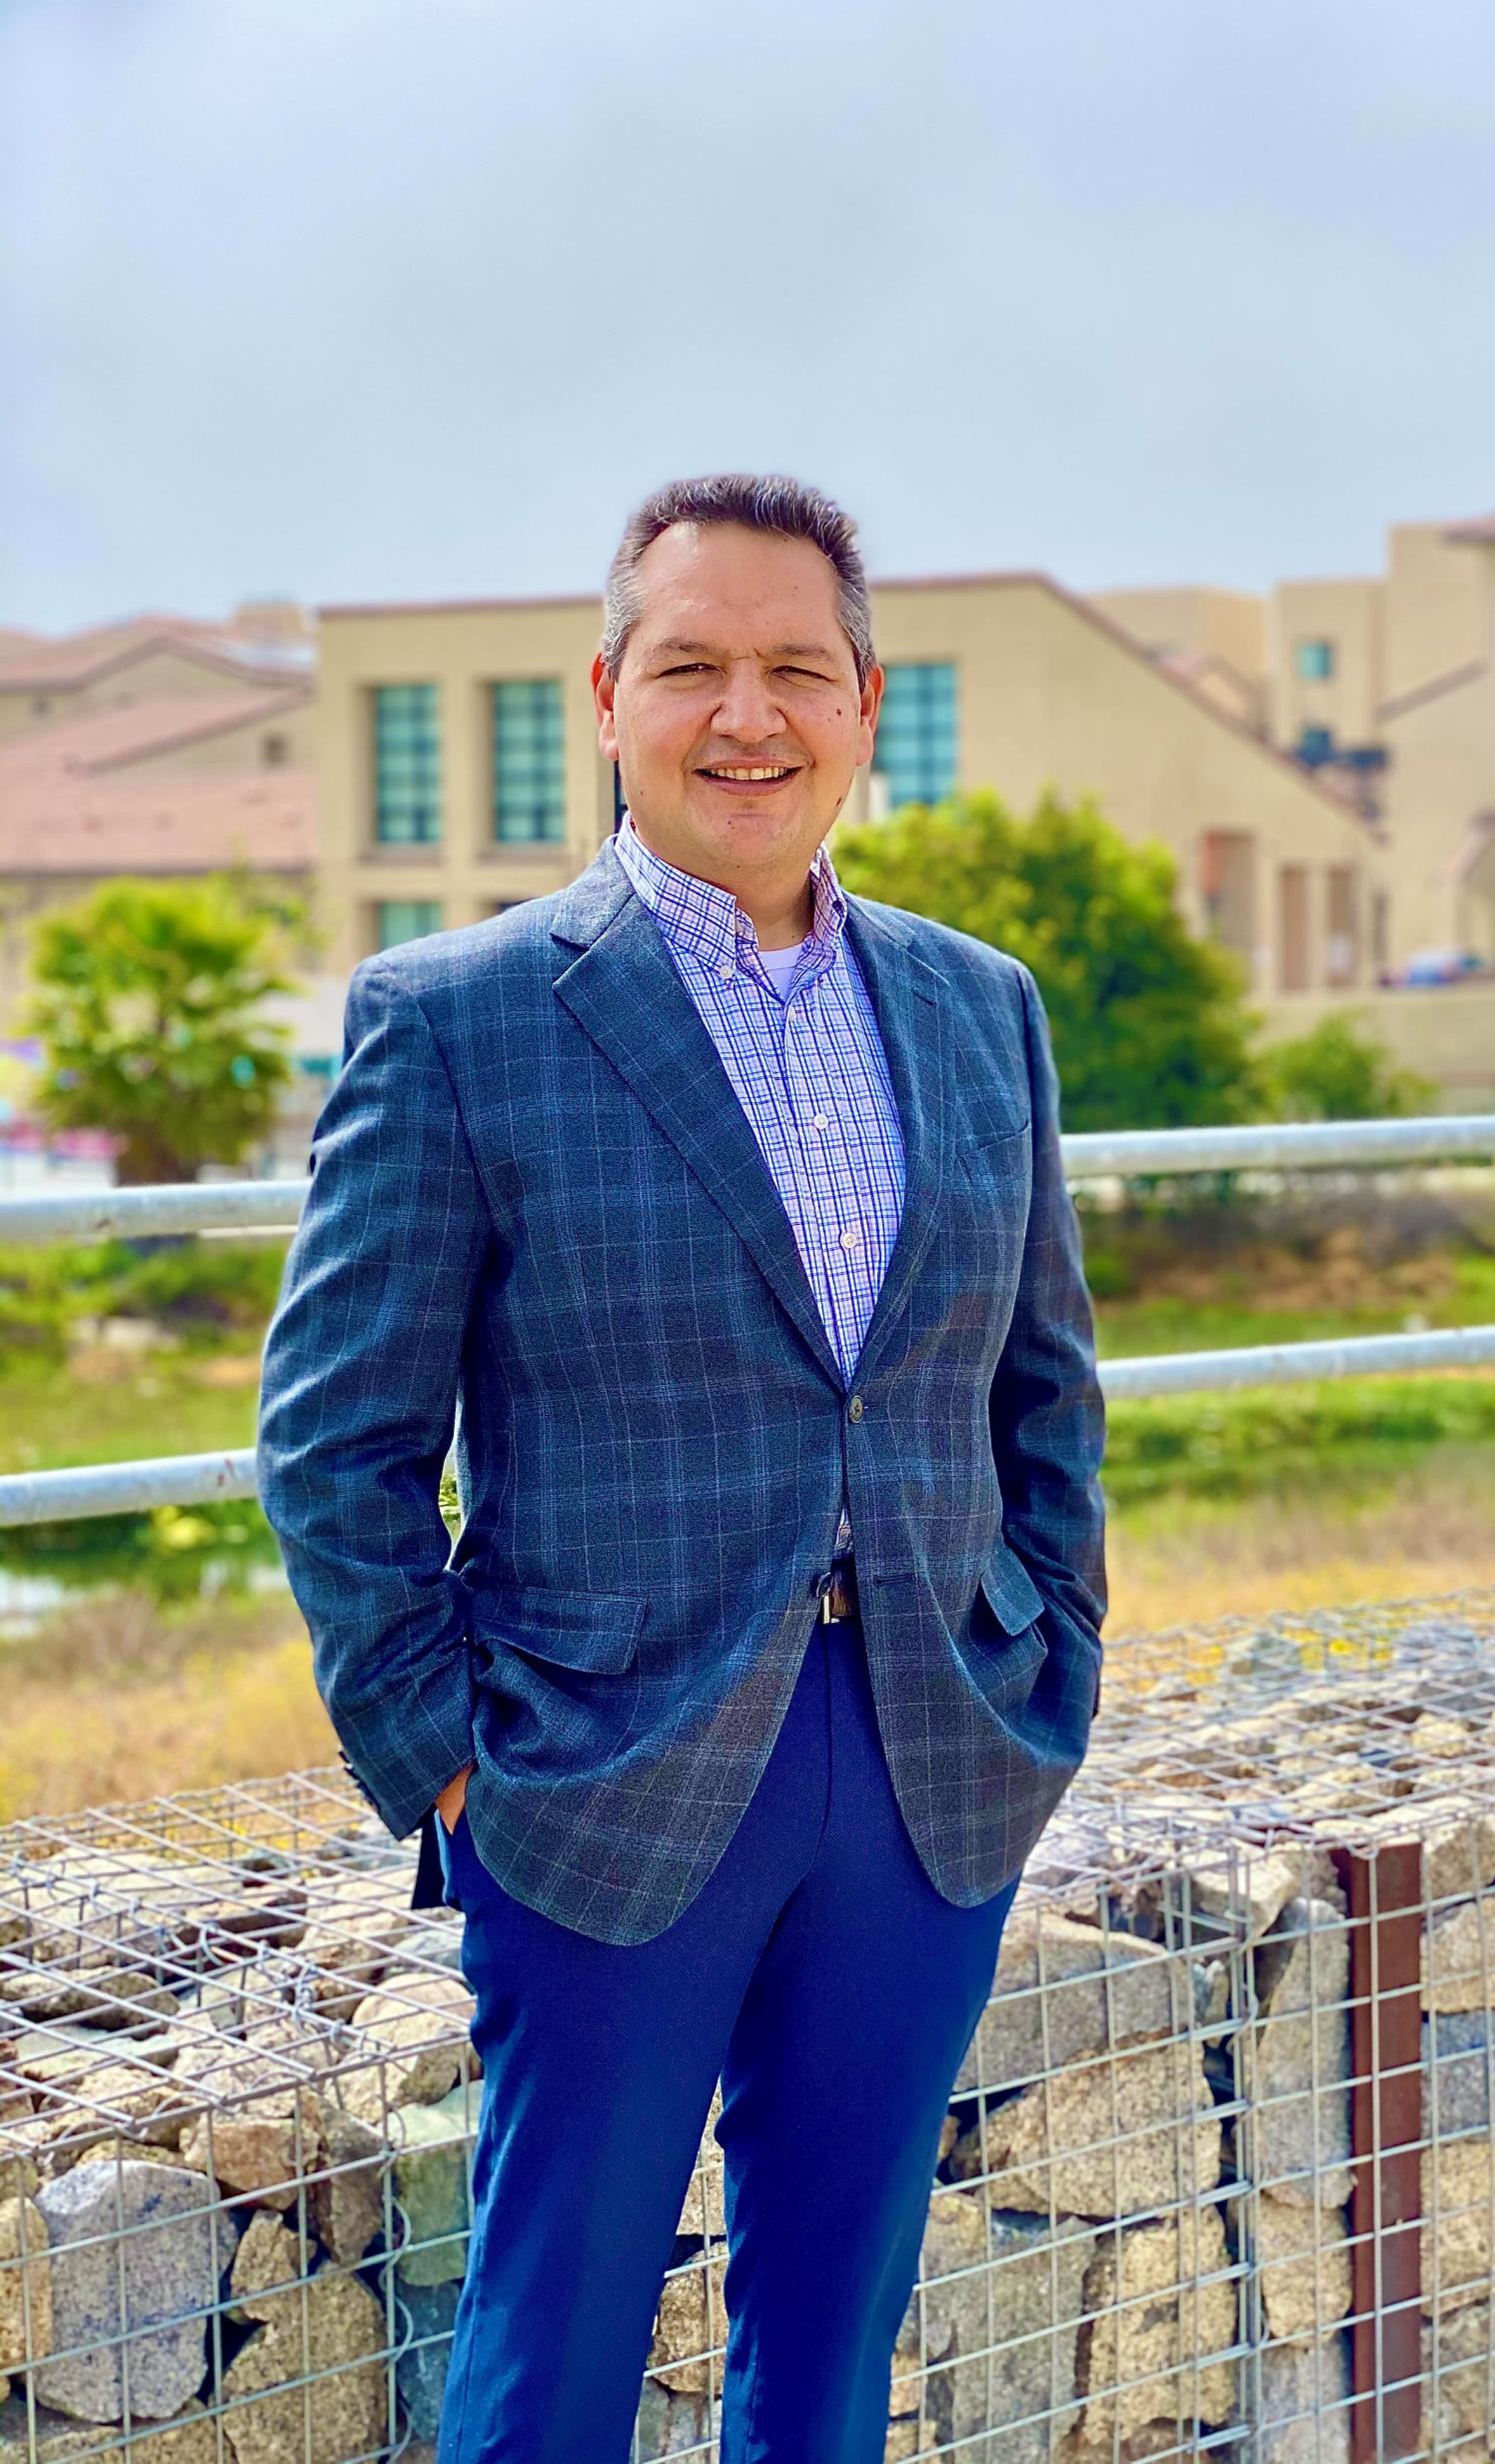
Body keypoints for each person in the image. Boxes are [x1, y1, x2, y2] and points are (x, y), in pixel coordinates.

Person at [254, 473, 1107, 2462]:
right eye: (696, 664)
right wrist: (453, 1757)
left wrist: (1045, 1666)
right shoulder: (457, 1019)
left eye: (797, 667)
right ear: (608, 697)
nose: (751, 712)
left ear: (864, 702)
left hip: (927, 1766)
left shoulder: (985, 1008)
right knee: (550, 2370)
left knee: (827, 2361)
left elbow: (1041, 1385)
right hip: (598, 1778)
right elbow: (336, 1438)